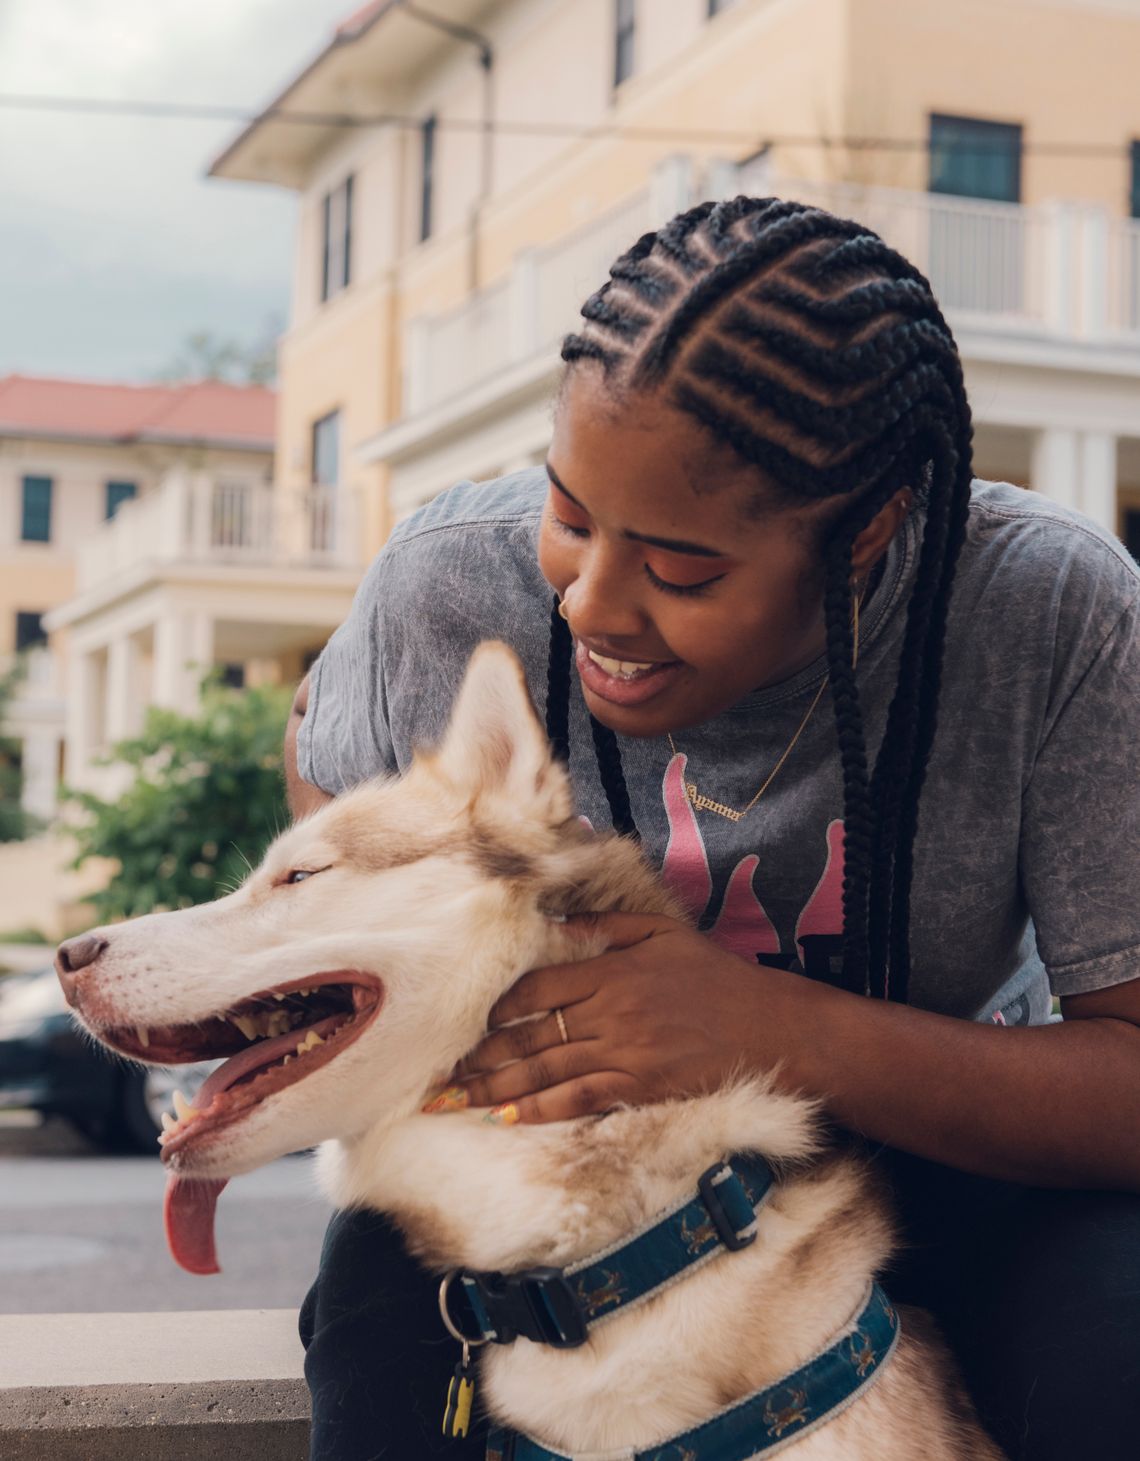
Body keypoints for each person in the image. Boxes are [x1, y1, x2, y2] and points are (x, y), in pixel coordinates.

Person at [287, 197, 1140, 1461]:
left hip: (957, 1142)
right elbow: (332, 851)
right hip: (572, 1167)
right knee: (377, 1339)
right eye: (571, 515)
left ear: (867, 537)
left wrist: (764, 1030)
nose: (589, 602)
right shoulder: (450, 587)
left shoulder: (1051, 610)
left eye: (682, 572)